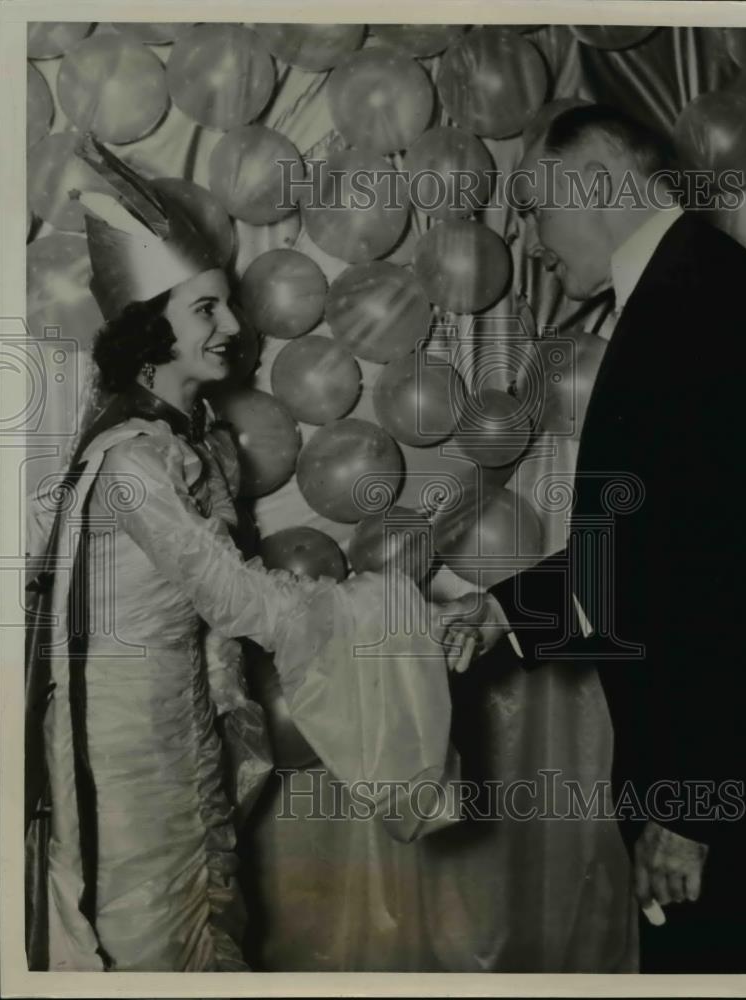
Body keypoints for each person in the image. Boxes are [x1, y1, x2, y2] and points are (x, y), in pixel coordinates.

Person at [24, 135, 453, 972]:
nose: (232, 326)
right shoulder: (133, 463)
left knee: (207, 914)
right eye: (205, 311)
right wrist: (395, 613)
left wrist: (228, 717)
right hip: (121, 746)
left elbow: (216, 630)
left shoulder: (198, 441)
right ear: (151, 331)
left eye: (227, 305)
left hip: (182, 722)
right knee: (147, 926)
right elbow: (240, 600)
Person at [441, 105, 746, 973]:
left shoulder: (701, 306)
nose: (533, 242)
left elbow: (733, 585)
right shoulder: (690, 288)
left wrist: (695, 808)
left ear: (594, 183)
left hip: (707, 793)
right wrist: (505, 611)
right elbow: (657, 546)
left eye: (536, 209)